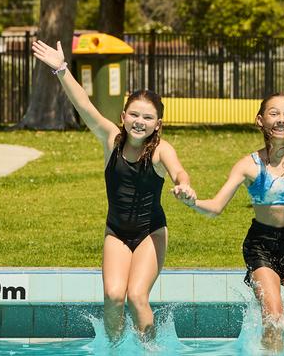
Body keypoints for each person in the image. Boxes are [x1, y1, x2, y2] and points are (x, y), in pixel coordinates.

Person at [32, 40, 195, 342]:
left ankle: (150, 350)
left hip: (150, 232)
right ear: (123, 116)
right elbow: (84, 105)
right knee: (113, 296)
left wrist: (183, 185)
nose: (139, 122)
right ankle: (115, 349)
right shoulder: (111, 140)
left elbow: (178, 170)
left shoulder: (160, 150)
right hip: (117, 231)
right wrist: (61, 68)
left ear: (158, 124)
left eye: (147, 118)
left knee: (136, 296)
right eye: (134, 115)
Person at [177, 93, 284, 352]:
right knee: (273, 318)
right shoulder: (248, 166)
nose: (281, 120)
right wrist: (192, 202)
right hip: (261, 245)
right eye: (274, 114)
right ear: (260, 120)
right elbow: (216, 207)